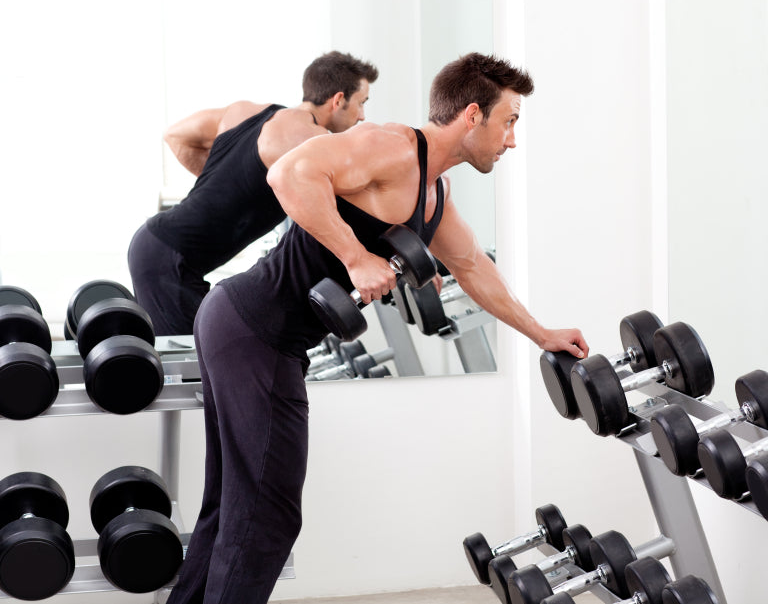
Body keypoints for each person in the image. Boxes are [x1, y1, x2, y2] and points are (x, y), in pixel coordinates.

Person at [167, 52, 589, 604]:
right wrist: (354, 257)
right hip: (253, 327)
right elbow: (287, 172)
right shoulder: (390, 145)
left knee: (232, 506)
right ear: (470, 115)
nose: (511, 140)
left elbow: (472, 268)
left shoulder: (433, 193)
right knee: (265, 514)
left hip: (258, 332)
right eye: (508, 121)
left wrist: (541, 334)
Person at [127, 51, 379, 335]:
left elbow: (175, 134)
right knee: (196, 365)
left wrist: (229, 186)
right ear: (338, 100)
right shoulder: (310, 140)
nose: (362, 116)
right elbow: (367, 194)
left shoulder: (245, 111)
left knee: (210, 351)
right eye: (361, 103)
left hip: (158, 246)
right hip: (167, 259)